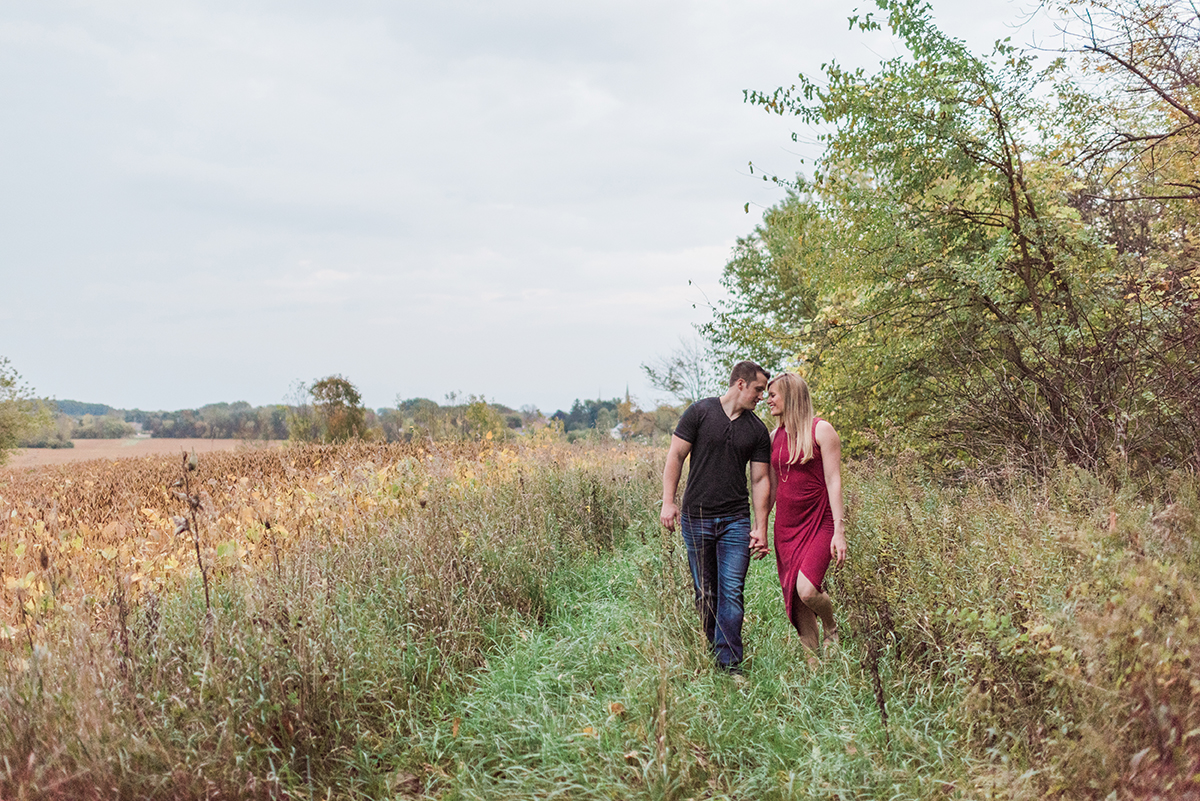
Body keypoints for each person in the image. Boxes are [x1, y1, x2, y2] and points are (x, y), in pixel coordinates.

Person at [660, 361, 772, 673]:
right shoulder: (699, 413)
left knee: (732, 591)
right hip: (696, 519)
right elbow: (676, 456)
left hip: (735, 521)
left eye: (764, 391)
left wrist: (760, 527)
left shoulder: (757, 430)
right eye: (758, 389)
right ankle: (710, 648)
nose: (761, 396)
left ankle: (729, 663)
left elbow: (761, 480)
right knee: (706, 592)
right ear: (740, 383)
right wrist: (668, 502)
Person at [764, 372, 846, 655]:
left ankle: (832, 626)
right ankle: (815, 674)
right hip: (786, 529)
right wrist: (760, 529)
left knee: (807, 590)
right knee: (797, 602)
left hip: (819, 523)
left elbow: (834, 481)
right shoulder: (774, 437)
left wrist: (839, 531)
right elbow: (771, 489)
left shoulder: (821, 430)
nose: (768, 400)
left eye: (773, 394)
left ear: (791, 395)